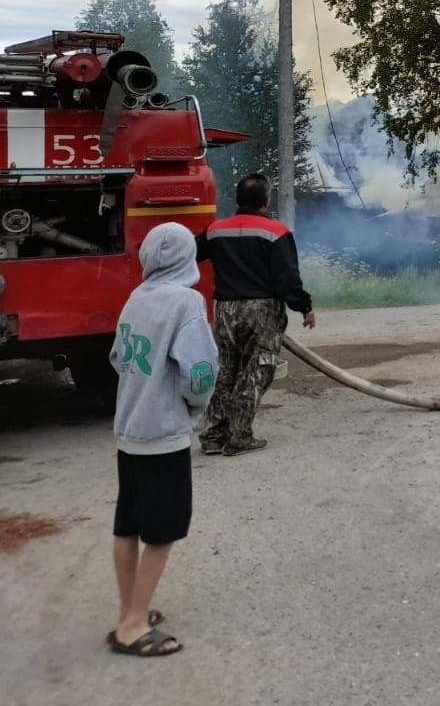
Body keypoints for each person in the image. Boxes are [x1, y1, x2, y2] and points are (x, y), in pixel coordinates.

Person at [107, 222, 218, 657]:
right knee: (162, 532)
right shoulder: (187, 302)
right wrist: (192, 408)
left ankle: (129, 611)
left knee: (128, 524)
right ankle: (133, 626)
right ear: (189, 258)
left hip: (129, 430)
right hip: (163, 436)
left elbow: (117, 356)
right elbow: (201, 372)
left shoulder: (137, 297)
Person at [196, 174, 314, 456]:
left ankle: (213, 435)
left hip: (224, 310)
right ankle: (239, 436)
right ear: (266, 200)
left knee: (226, 372)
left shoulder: (215, 230)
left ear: (238, 199)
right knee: (256, 373)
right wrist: (304, 307)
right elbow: (287, 279)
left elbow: (189, 253)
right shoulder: (276, 232)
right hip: (261, 312)